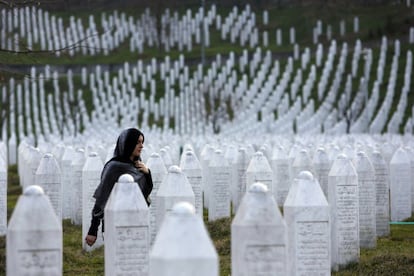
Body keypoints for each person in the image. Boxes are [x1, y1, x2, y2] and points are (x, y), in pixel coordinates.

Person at [85, 128, 153, 246]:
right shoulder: (113, 168)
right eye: (137, 142)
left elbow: (145, 194)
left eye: (142, 142)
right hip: (115, 223)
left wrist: (147, 174)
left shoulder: (139, 166)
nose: (141, 146)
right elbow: (102, 198)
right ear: (127, 144)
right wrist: (93, 230)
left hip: (136, 222)